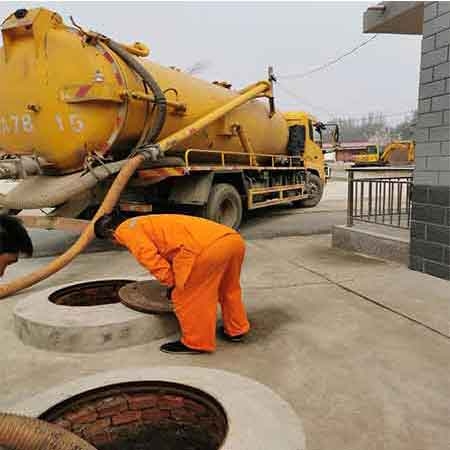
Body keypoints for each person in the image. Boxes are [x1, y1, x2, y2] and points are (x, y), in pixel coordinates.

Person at [94, 212, 250, 354]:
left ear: (110, 232)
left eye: (111, 241)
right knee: (228, 289)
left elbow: (149, 257)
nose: (115, 243)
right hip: (231, 240)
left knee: (188, 298)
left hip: (205, 249)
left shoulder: (125, 230)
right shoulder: (145, 221)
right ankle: (237, 329)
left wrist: (171, 283)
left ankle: (196, 343)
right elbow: (171, 247)